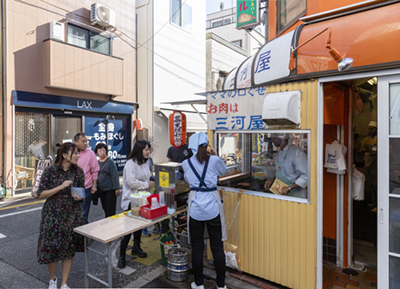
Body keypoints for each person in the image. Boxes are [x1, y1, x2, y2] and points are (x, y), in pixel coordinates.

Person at [181, 132, 228, 289]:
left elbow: (188, 180)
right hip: (213, 206)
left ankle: (199, 284)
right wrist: (215, 155)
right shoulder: (214, 160)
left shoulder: (186, 163)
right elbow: (224, 172)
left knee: (197, 247)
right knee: (217, 248)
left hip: (195, 208)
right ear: (207, 145)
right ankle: (221, 285)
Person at [36, 142, 84, 289]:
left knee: (68, 248)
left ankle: (64, 283)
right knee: (51, 247)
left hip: (71, 213)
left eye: (77, 153)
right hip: (52, 214)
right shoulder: (50, 171)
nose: (77, 155)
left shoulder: (78, 172)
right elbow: (40, 194)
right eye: (74, 153)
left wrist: (79, 197)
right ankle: (53, 279)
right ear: (64, 155)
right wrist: (61, 186)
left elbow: (81, 193)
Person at [118, 140, 155, 268]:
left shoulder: (145, 162)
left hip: (142, 198)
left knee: (139, 225)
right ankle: (121, 254)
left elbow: (147, 178)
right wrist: (146, 184)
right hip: (131, 200)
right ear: (139, 150)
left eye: (148, 149)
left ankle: (136, 248)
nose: (148, 152)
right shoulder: (130, 163)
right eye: (146, 149)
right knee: (128, 229)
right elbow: (130, 181)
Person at [264, 133, 308, 198]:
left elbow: (306, 176)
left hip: (295, 196)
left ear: (282, 138)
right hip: (281, 194)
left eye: (274, 137)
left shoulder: (297, 153)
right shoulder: (279, 152)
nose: (272, 140)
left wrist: (289, 188)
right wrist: (272, 180)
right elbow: (281, 171)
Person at [74, 132, 99, 224]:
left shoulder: (90, 153)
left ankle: (83, 235)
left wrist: (94, 185)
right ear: (75, 142)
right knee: (72, 212)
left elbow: (94, 170)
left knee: (83, 213)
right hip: (72, 187)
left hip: (86, 187)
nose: (85, 143)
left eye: (86, 141)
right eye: (83, 141)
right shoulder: (71, 152)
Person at [94, 143, 120, 218]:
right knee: (104, 207)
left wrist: (116, 188)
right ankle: (107, 223)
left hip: (110, 189)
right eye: (100, 151)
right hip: (101, 190)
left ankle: (112, 225)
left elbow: (114, 175)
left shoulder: (110, 162)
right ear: (97, 152)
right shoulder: (97, 162)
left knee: (110, 209)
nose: (102, 152)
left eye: (104, 150)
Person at [360, 121, 377, 211]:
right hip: (370, 164)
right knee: (373, 185)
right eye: (369, 129)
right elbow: (362, 150)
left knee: (378, 185)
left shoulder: (380, 138)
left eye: (372, 129)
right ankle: (374, 203)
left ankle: (379, 204)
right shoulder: (366, 139)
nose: (370, 131)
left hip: (378, 164)